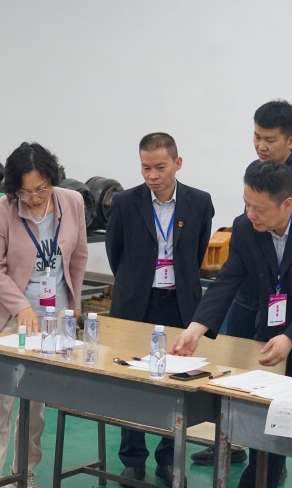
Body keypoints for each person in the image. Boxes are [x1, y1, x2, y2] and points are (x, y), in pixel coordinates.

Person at [171, 161, 292, 488]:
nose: (251, 215)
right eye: (246, 204)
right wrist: (196, 327)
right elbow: (228, 279)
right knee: (269, 427)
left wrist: (291, 337)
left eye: (259, 209)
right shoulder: (245, 228)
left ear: (286, 204)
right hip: (274, 341)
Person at [195, 99, 292, 471]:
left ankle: (270, 461)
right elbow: (232, 271)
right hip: (252, 297)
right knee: (240, 372)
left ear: (291, 140)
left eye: (270, 140)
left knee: (278, 384)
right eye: (256, 137)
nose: (261, 146)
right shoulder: (257, 176)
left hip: (283, 303)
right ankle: (236, 442)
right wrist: (198, 325)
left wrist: (291, 330)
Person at [105, 132, 214, 487]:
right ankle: (132, 459)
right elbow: (115, 253)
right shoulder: (125, 202)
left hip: (179, 304)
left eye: (160, 167)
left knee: (175, 383)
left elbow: (197, 252)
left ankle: (168, 458)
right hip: (136, 303)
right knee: (130, 380)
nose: (152, 175)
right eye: (145, 167)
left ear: (177, 164)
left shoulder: (199, 202)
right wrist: (137, 282)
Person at [0, 142, 88, 487]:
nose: (35, 198)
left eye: (41, 189)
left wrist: (74, 305)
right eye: (25, 193)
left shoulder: (72, 202)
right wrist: (21, 306)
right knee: (0, 402)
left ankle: (25, 472)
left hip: (54, 318)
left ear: (52, 179)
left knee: (36, 405)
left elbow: (79, 256)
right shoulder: (0, 211)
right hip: (12, 318)